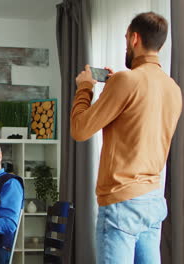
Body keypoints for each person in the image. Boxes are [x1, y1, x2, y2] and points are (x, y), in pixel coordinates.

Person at [71, 12, 182, 263]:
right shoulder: (173, 88)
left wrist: (85, 88)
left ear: (134, 38)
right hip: (153, 199)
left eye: (125, 38)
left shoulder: (126, 80)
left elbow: (80, 129)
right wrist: (112, 87)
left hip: (122, 201)